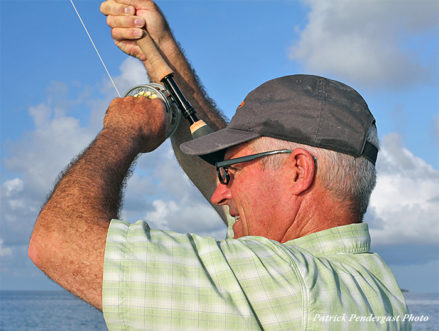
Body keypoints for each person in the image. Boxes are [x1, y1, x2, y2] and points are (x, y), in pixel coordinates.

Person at [28, 0, 410, 330]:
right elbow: (237, 182)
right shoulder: (372, 286)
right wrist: (158, 50)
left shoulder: (291, 285)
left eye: (231, 173)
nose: (219, 190)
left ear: (298, 171)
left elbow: (58, 242)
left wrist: (123, 131)